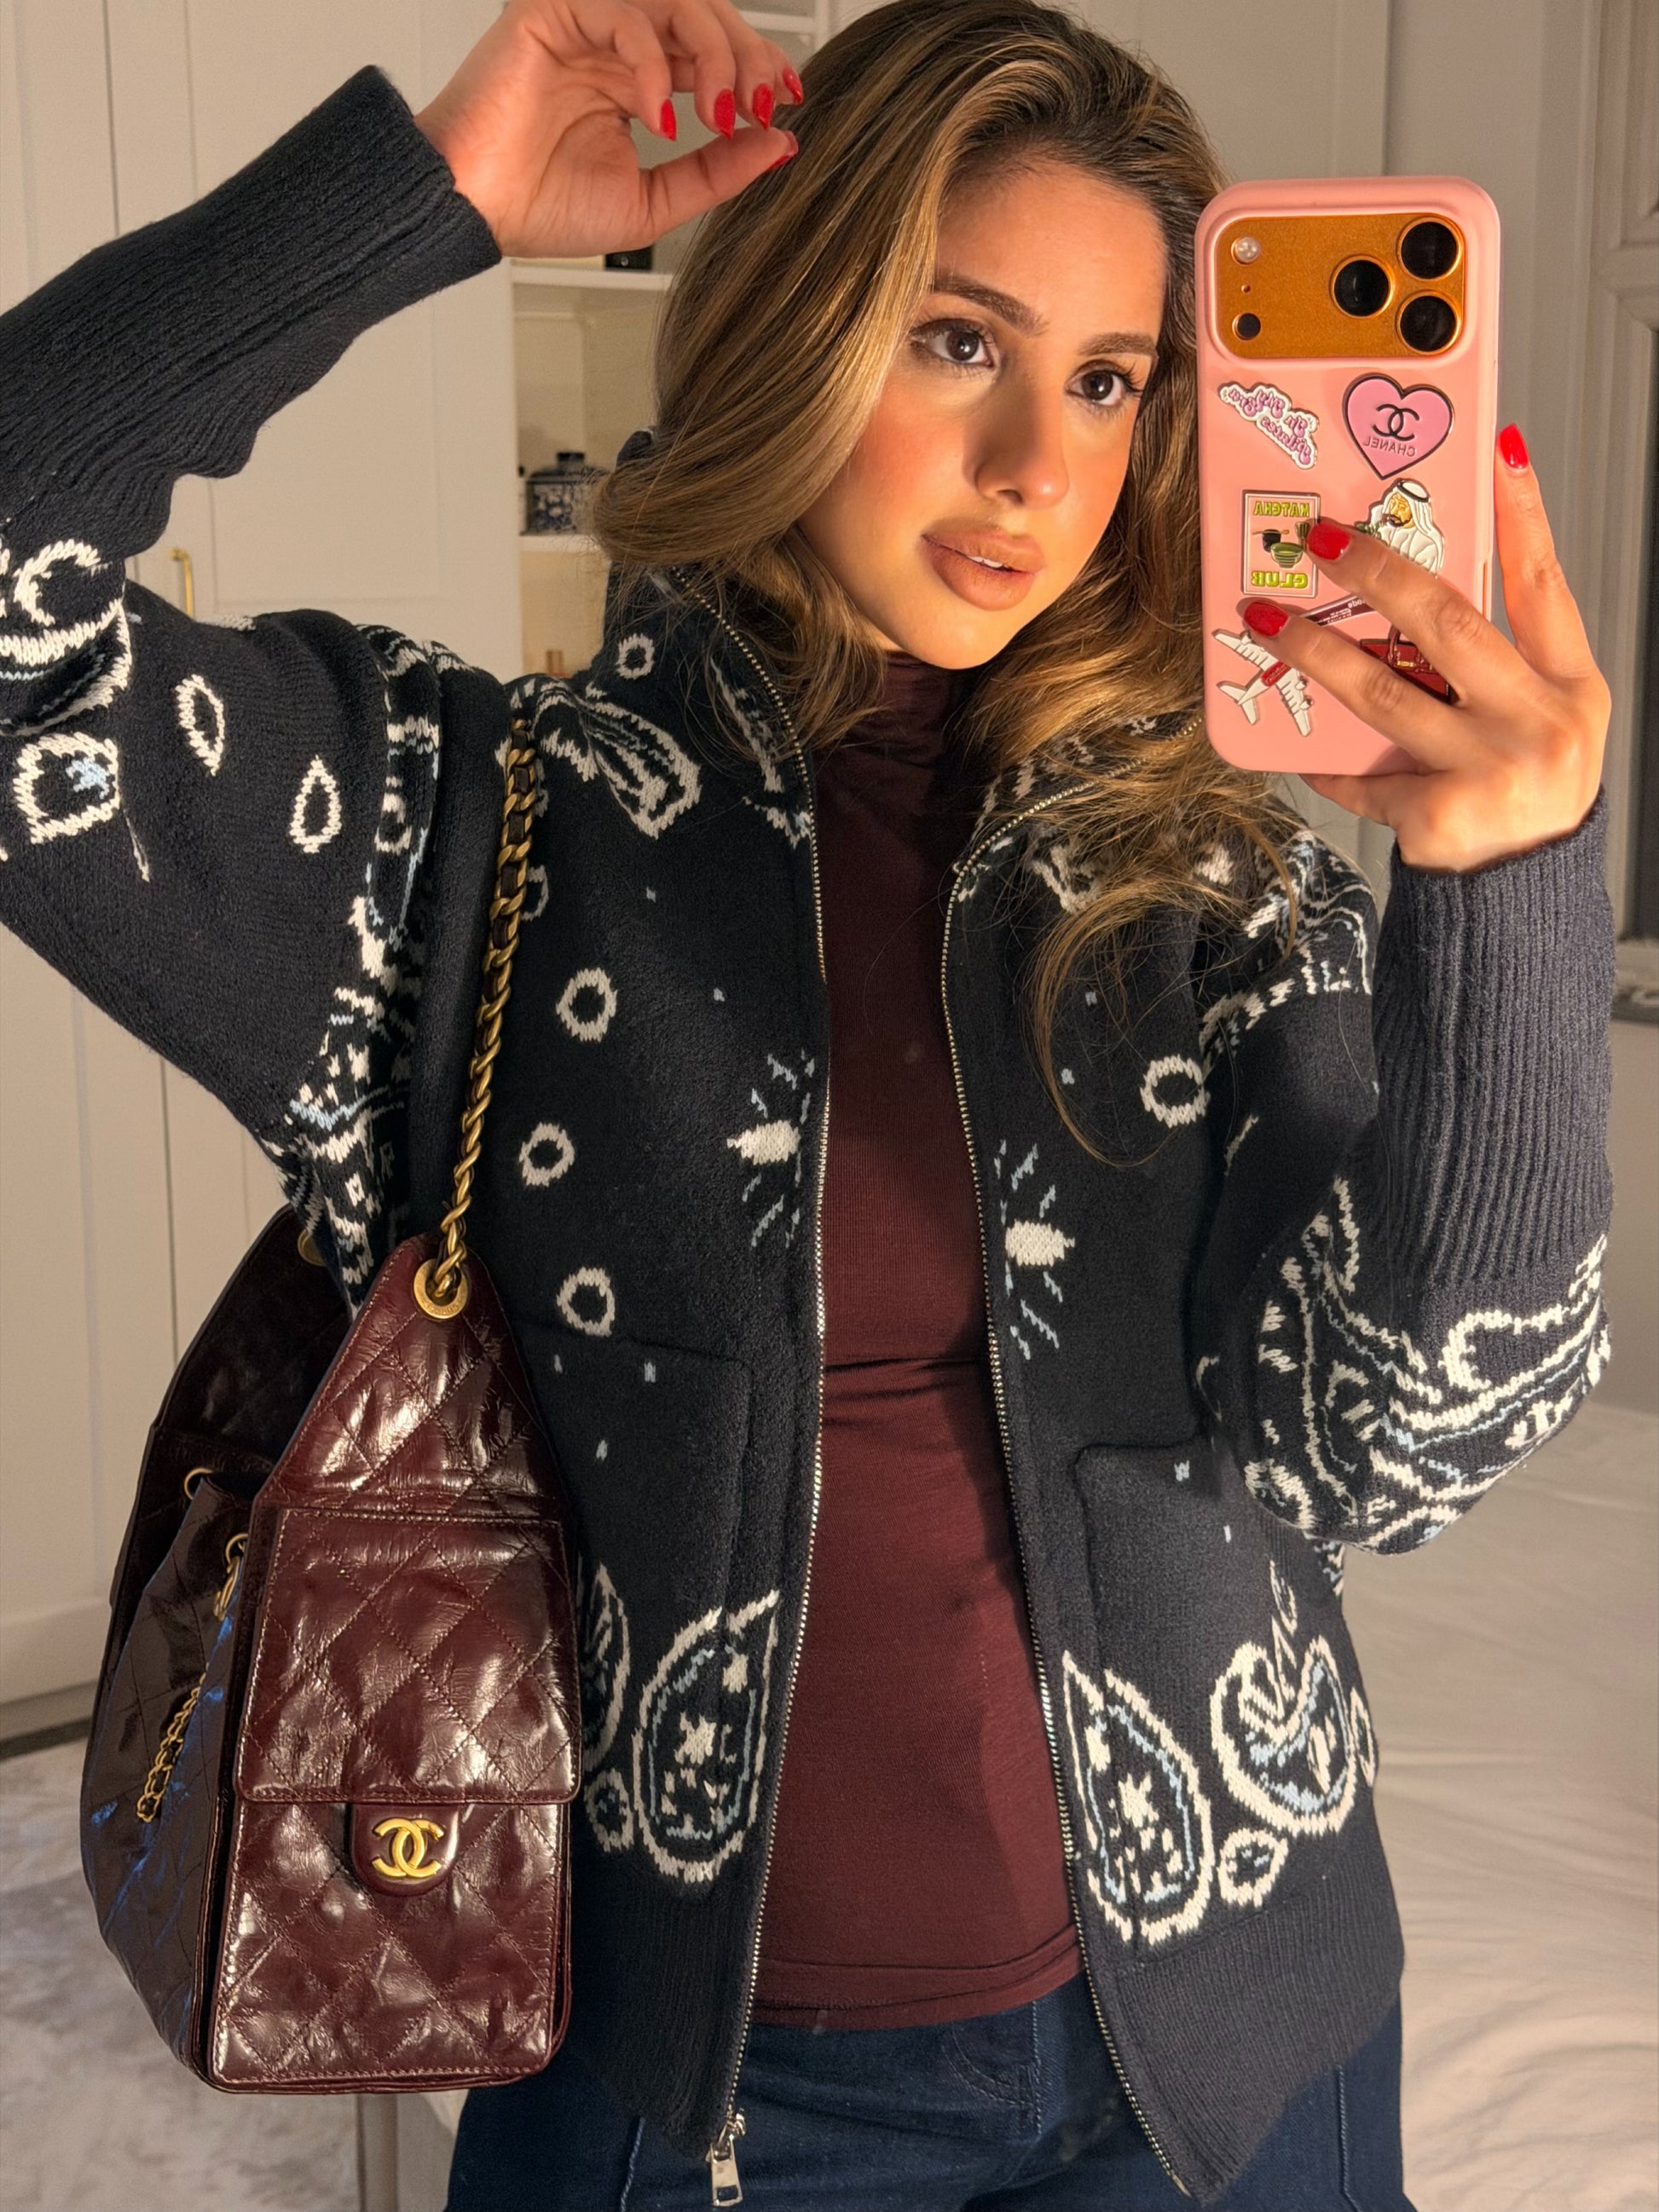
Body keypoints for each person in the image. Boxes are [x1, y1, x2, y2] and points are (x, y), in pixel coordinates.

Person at [0, 1, 1615, 2205]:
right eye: (958, 341)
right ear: (797, 320)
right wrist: (419, 195)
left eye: (1109, 379)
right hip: (692, 2087)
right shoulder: (462, 833)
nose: (1035, 463)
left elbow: (1406, 1442)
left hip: (1233, 2044)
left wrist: (1505, 894)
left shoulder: (1217, 888)